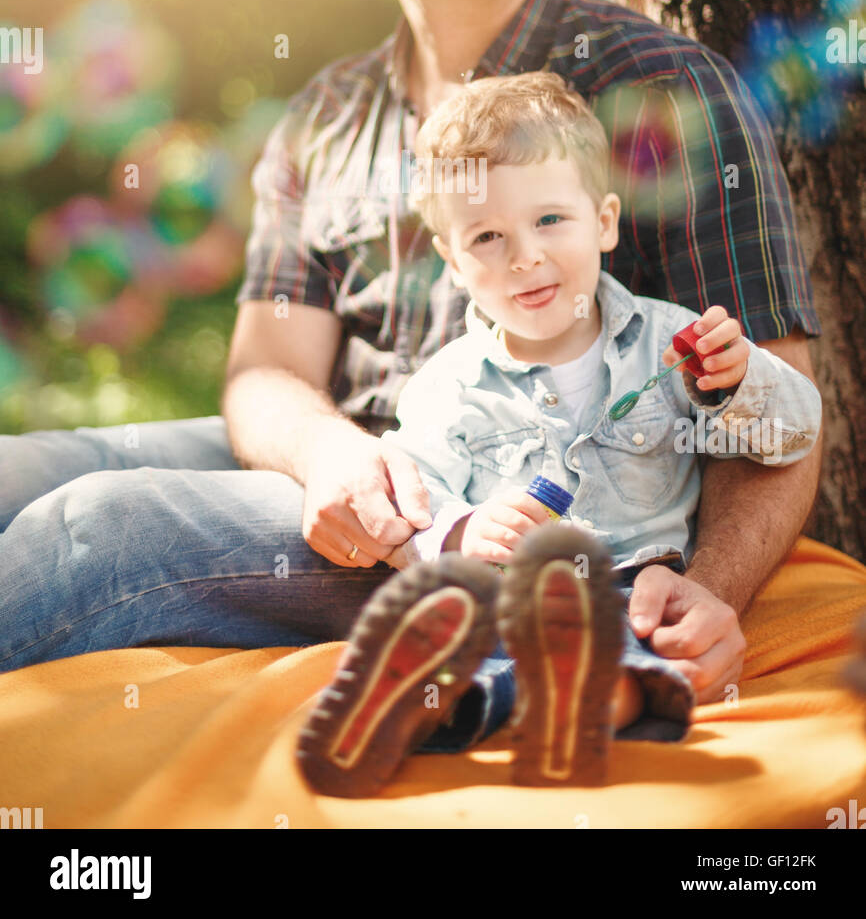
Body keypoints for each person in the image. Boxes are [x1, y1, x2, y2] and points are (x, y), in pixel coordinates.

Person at [0, 0, 822, 706]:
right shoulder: (324, 114)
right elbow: (266, 372)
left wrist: (705, 595)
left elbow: (772, 406)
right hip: (353, 469)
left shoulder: (661, 87)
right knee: (23, 466)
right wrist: (331, 456)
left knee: (92, 526)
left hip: (475, 525)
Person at [295, 71, 822, 793]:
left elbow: (794, 433)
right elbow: (412, 496)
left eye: (550, 221)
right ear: (451, 262)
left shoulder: (673, 343)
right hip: (509, 595)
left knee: (643, 651)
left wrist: (738, 382)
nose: (524, 257)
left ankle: (513, 704)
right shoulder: (448, 385)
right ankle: (419, 696)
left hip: (637, 585)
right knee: (475, 633)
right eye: (487, 236)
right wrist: (459, 531)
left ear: (604, 221)